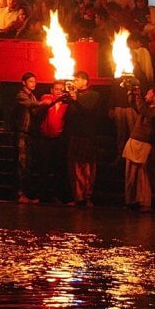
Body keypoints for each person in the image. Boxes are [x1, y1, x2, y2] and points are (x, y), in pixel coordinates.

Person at [122, 86, 155, 213]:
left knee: (143, 175)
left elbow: (147, 114)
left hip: (145, 142)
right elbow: (133, 104)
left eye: (149, 94)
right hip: (134, 139)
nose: (146, 96)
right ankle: (131, 201)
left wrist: (139, 96)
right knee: (130, 174)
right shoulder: (144, 106)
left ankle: (144, 202)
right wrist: (131, 92)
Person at [65, 71, 101, 207]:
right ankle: (77, 197)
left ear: (85, 81)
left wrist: (76, 99)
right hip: (75, 135)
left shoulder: (94, 95)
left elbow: (88, 111)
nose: (75, 81)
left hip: (87, 135)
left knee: (87, 167)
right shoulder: (75, 95)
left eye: (77, 79)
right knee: (74, 167)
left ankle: (86, 196)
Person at [14, 72, 47, 203]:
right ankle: (19, 194)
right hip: (21, 133)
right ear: (24, 82)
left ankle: (25, 193)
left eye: (35, 81)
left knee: (27, 165)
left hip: (29, 134)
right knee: (21, 163)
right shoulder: (21, 95)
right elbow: (30, 104)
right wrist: (43, 103)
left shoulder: (32, 96)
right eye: (31, 81)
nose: (34, 84)